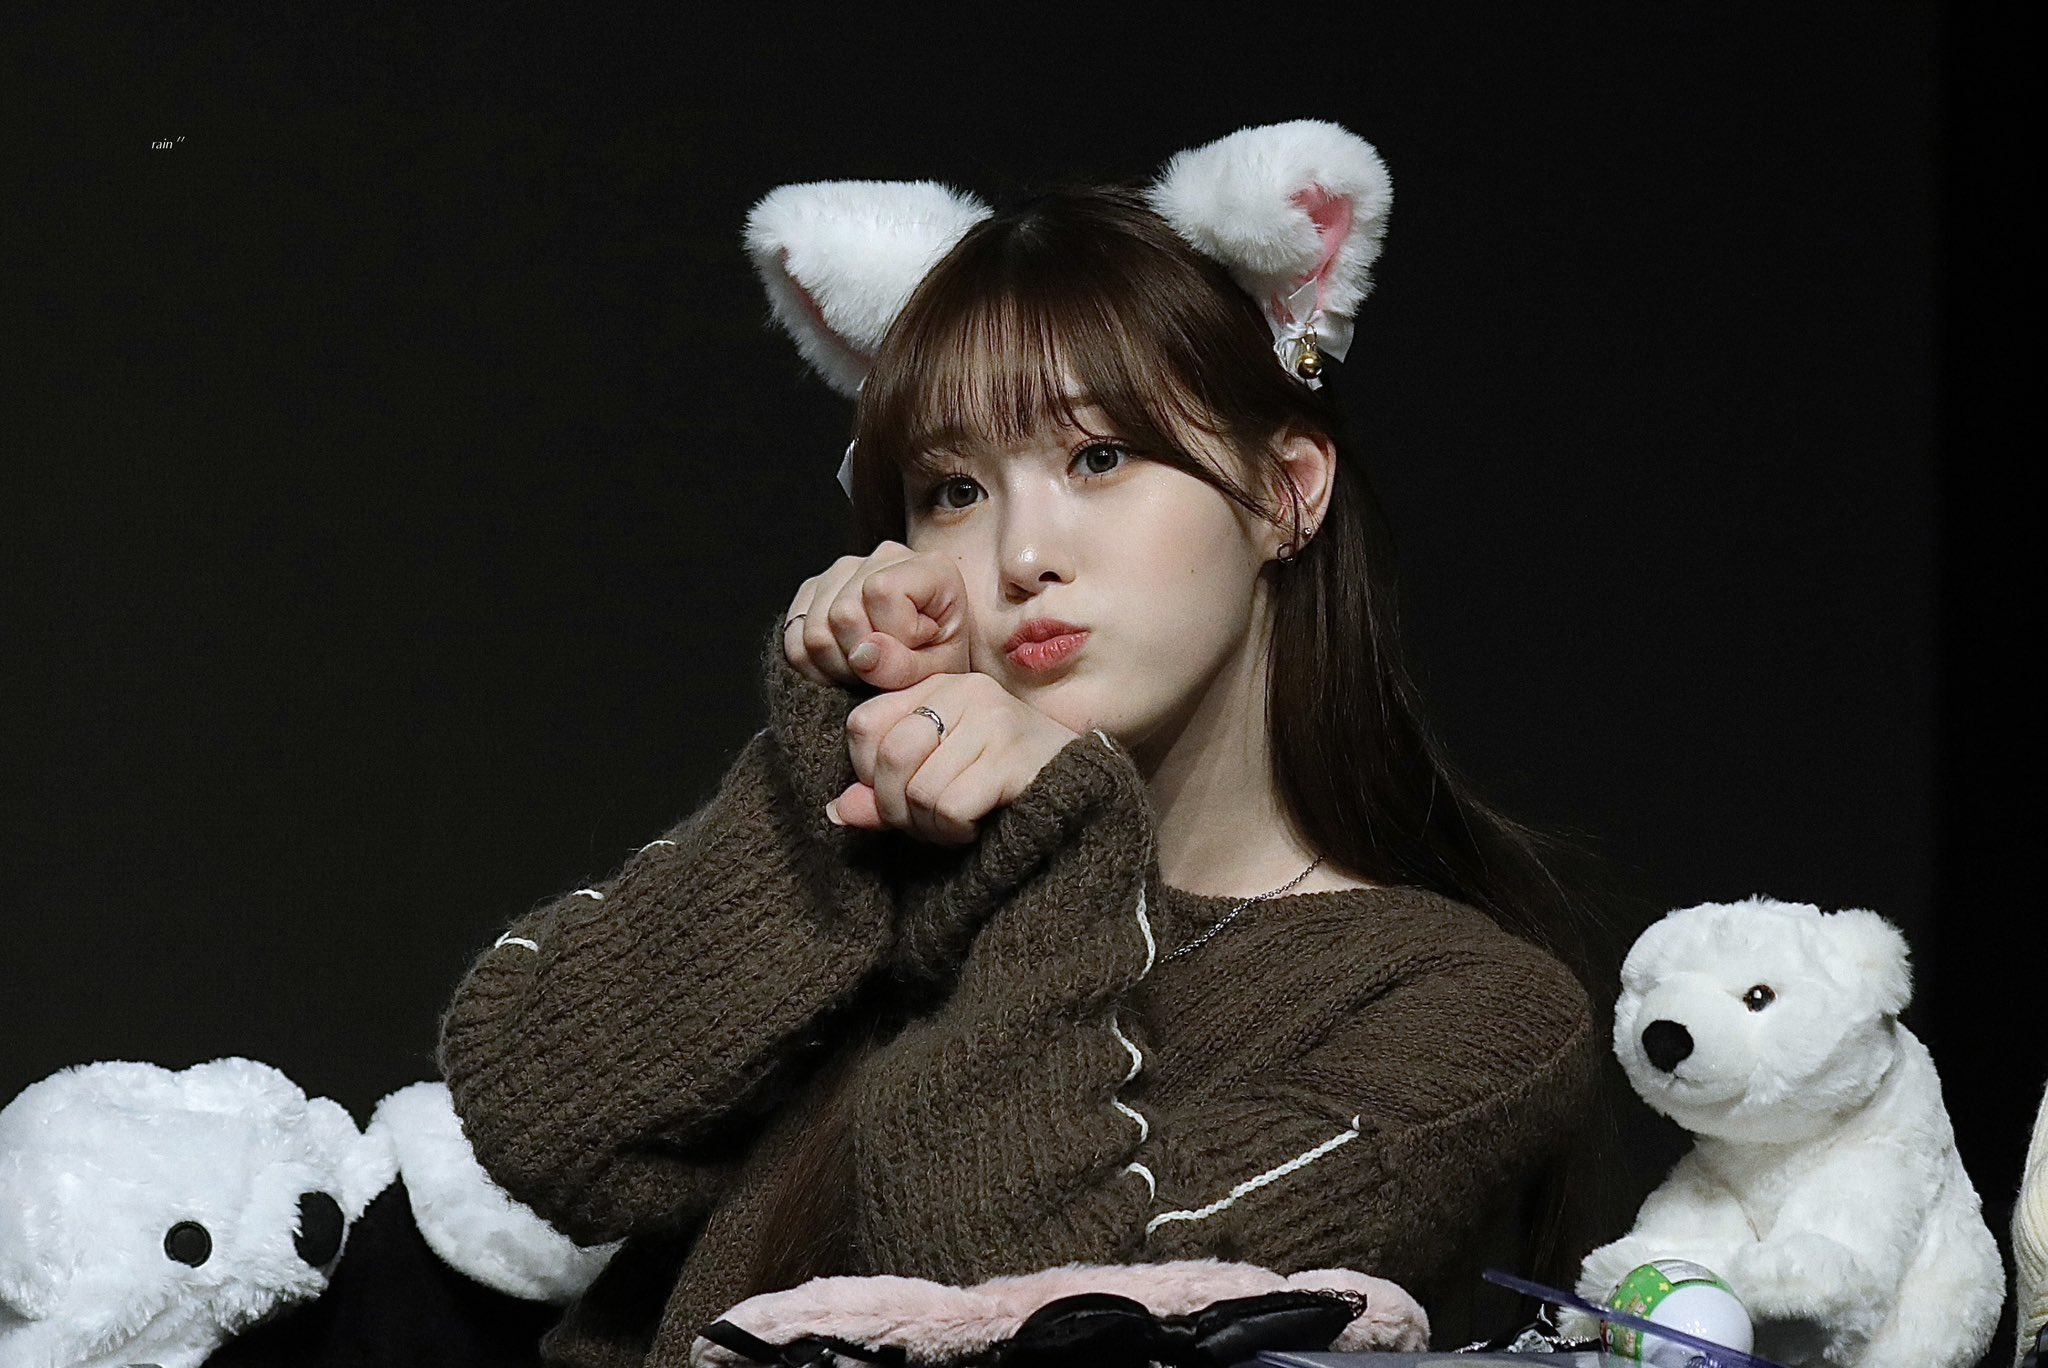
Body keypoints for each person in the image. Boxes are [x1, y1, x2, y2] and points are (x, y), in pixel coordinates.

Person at [436, 120, 1601, 1368]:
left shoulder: (1464, 1010)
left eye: (1098, 456)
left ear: (1285, 490)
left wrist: (1057, 836)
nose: (1019, 556)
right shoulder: (888, 856)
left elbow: (1051, 1325)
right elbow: (543, 1121)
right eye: (955, 489)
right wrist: (825, 772)